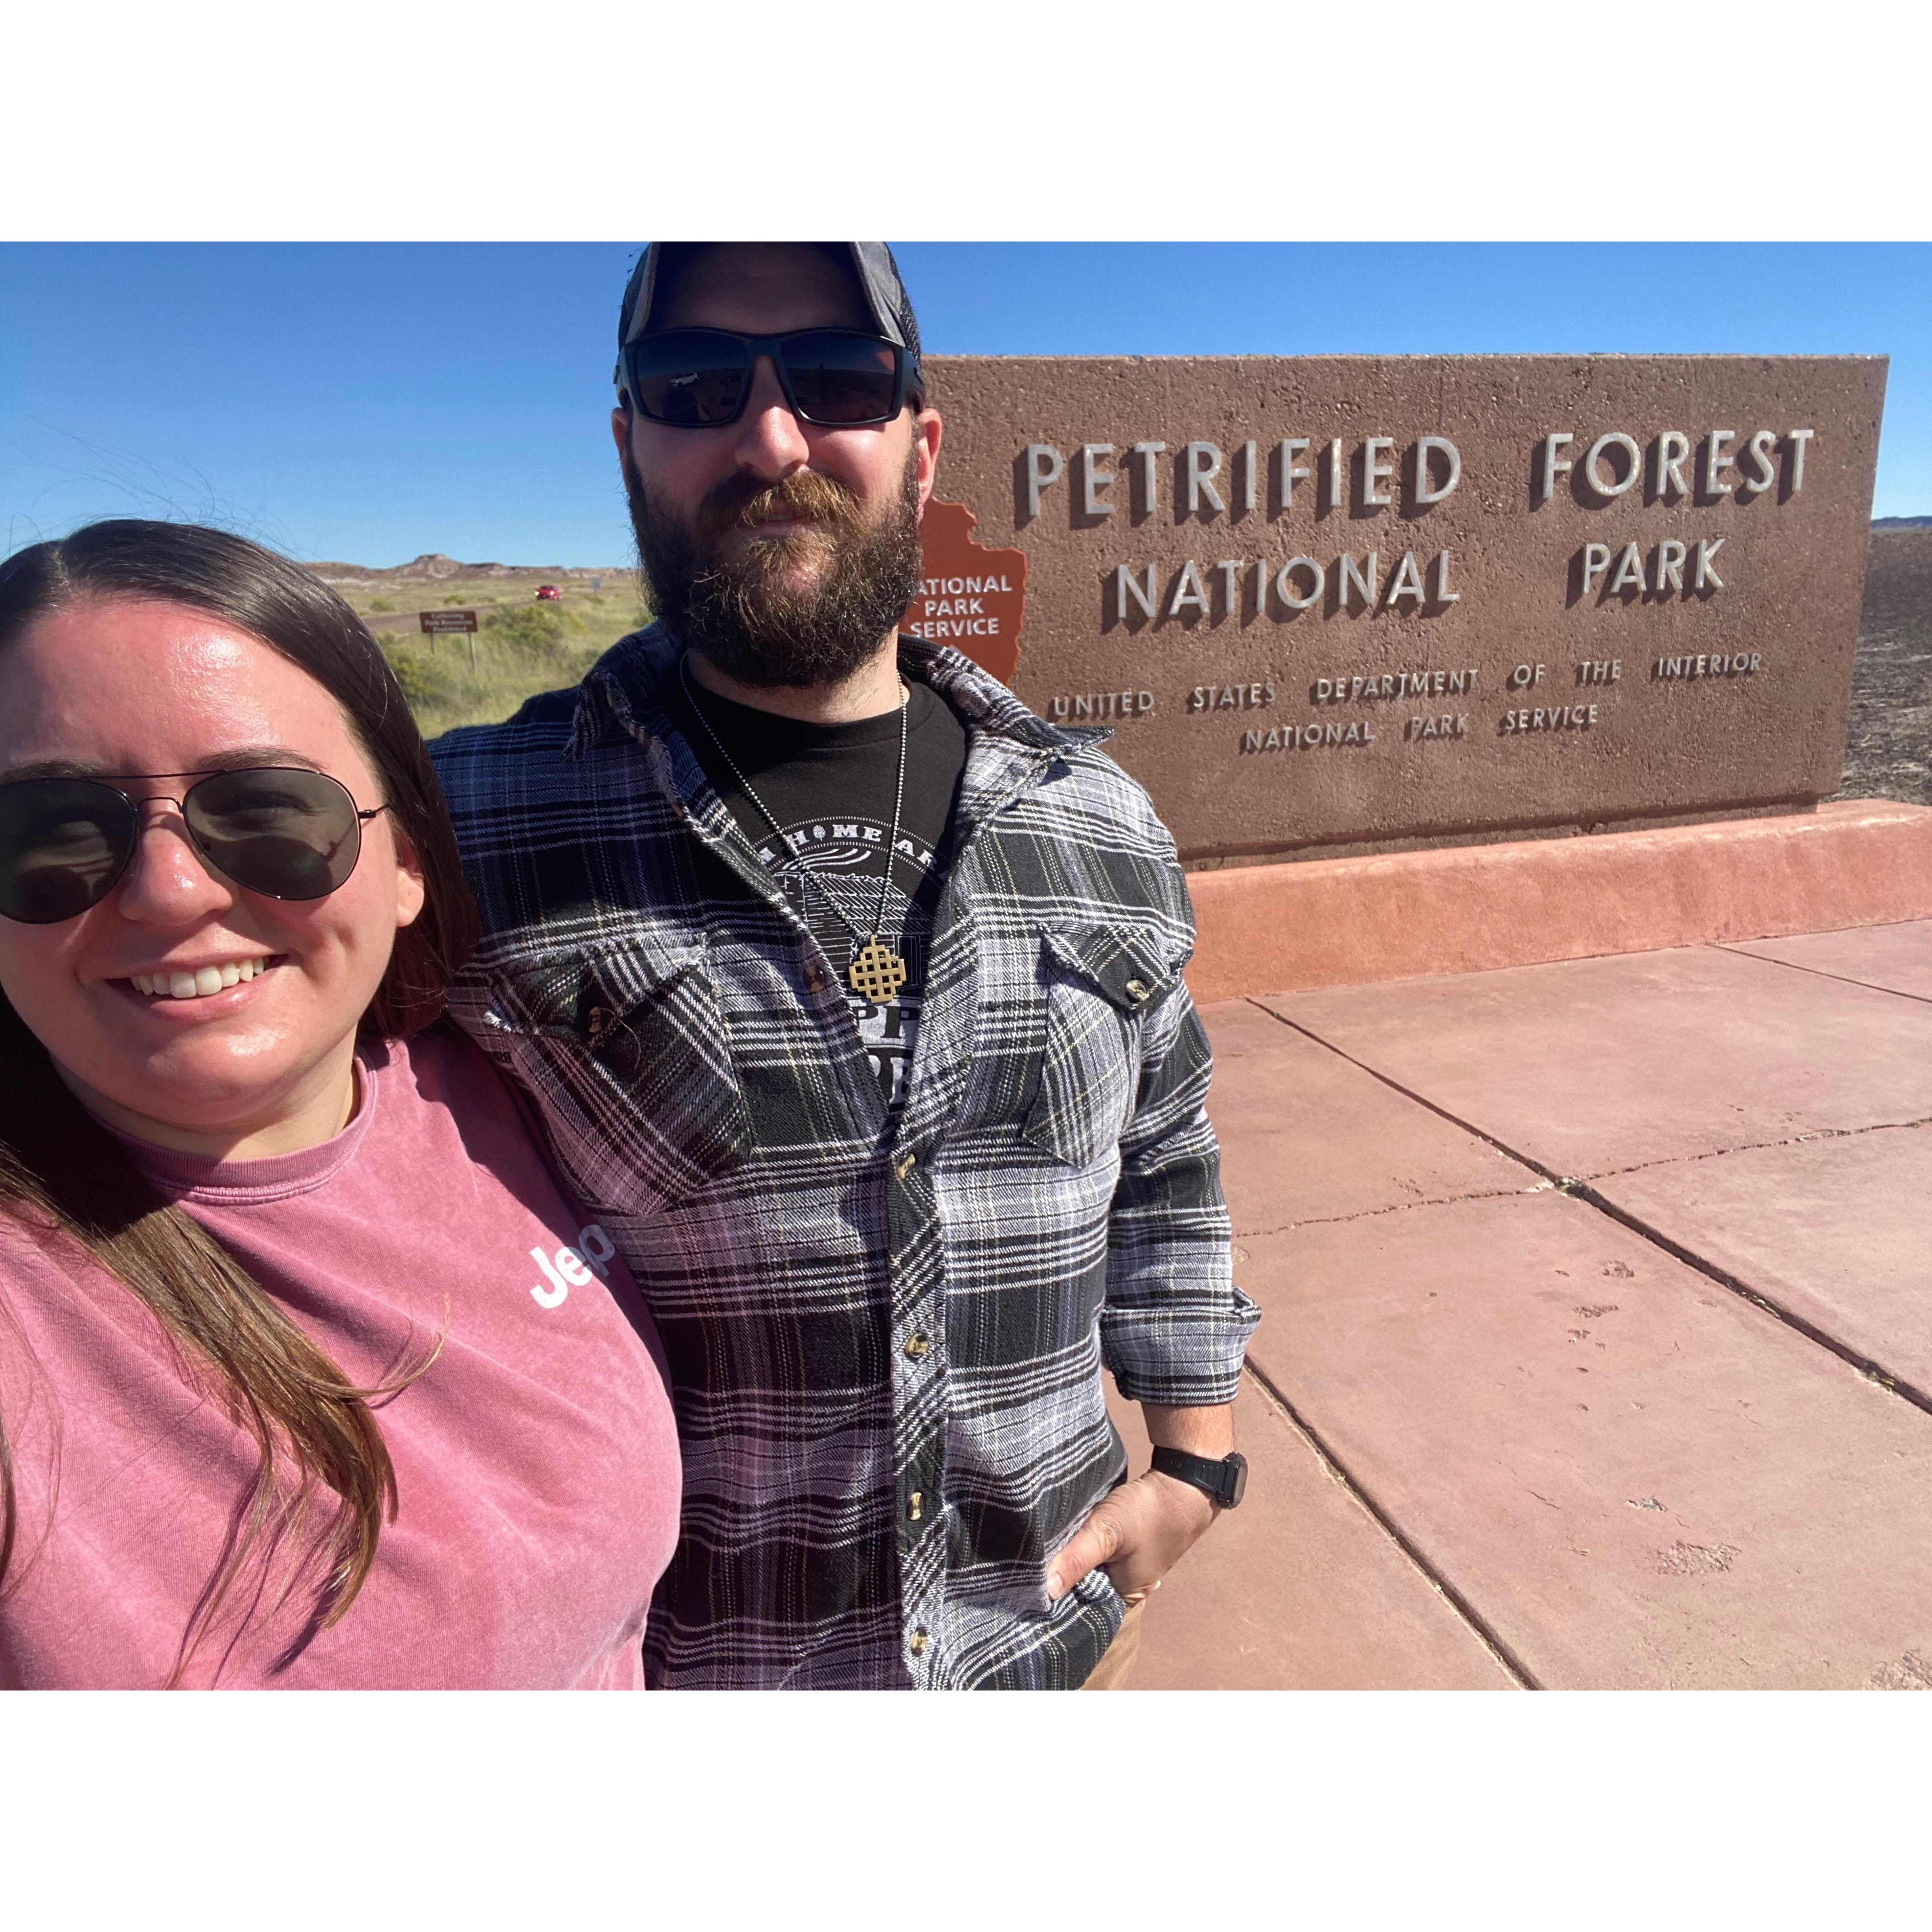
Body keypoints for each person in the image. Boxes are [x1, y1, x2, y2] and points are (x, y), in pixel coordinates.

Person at [433, 242, 1259, 1690]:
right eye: (695, 384)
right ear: (630, 443)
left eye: (834, 380)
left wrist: (1198, 1462)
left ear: (919, 445)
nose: (770, 437)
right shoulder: (464, 831)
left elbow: (1167, 1158)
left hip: (1047, 1648)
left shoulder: (1095, 817)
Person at [0, 520, 680, 1689]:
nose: (169, 891)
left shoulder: (507, 1085)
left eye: (267, 811)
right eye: (55, 833)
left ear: (408, 860)